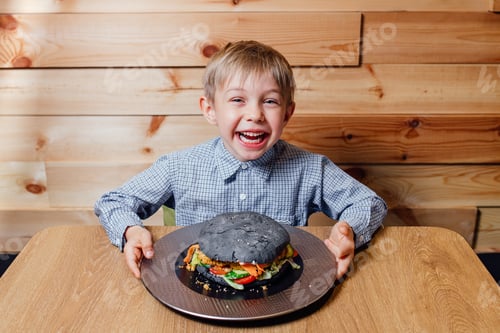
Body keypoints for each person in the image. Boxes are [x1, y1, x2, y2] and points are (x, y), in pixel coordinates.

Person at [95, 40, 387, 280]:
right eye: (237, 100)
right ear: (210, 109)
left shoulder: (311, 169)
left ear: (287, 113)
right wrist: (131, 230)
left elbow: (370, 204)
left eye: (270, 101)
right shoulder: (178, 167)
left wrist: (348, 230)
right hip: (194, 289)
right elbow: (114, 201)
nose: (255, 114)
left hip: (282, 292)